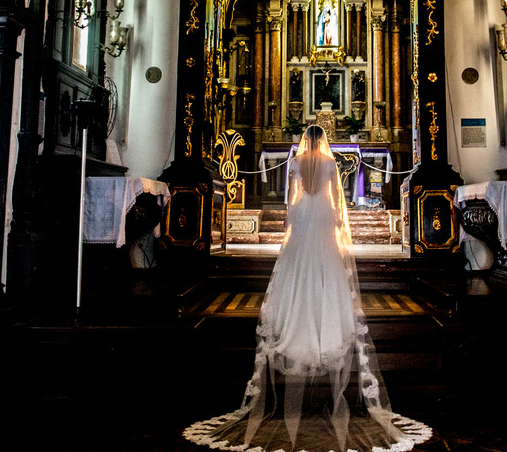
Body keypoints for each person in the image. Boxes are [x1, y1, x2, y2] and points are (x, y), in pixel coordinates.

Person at [184, 125, 432, 452]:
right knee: (326, 269)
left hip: (303, 214)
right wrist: (339, 222)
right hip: (324, 214)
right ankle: (326, 328)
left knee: (298, 267)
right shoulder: (330, 163)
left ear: (305, 141)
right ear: (323, 141)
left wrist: (291, 219)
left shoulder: (296, 161)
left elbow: (292, 197)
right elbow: (335, 198)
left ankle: (296, 327)